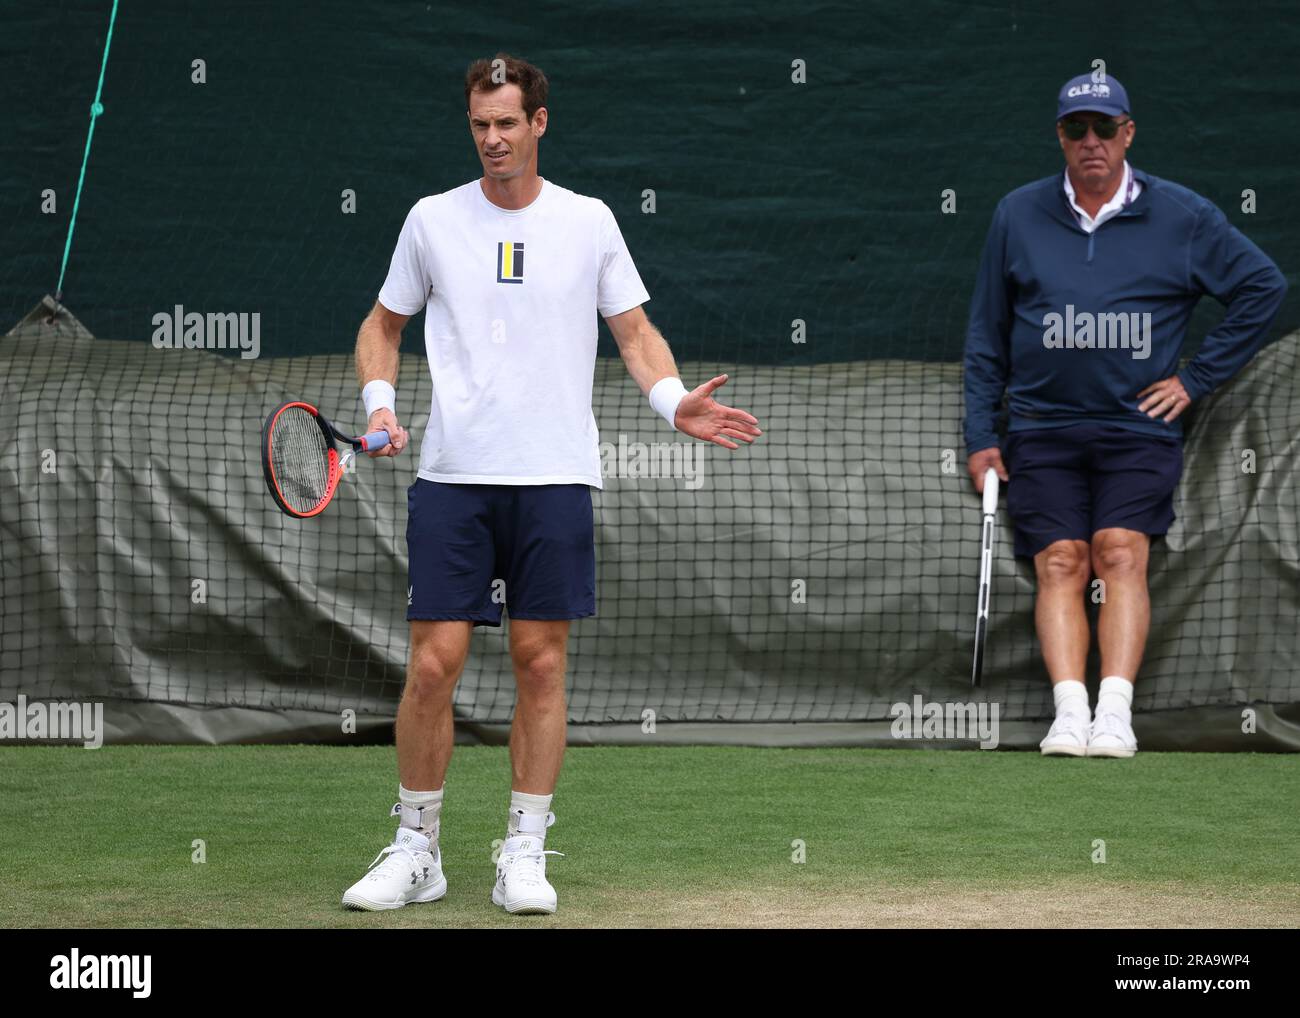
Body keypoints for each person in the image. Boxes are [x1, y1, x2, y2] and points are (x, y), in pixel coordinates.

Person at [341, 53, 761, 914]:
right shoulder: (430, 220)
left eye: (506, 123)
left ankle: (524, 850)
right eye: (478, 125)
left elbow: (635, 332)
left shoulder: (590, 221)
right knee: (433, 665)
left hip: (557, 477)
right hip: (453, 478)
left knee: (540, 663)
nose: (492, 139)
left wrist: (674, 401)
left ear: (539, 122)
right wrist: (379, 405)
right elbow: (382, 326)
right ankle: (417, 849)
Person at [963, 72, 1287, 759]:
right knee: (1060, 561)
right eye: (1076, 129)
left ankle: (1115, 712)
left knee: (1118, 553)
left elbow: (1263, 286)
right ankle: (1068, 715)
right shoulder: (1017, 214)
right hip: (1041, 428)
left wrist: (1196, 379)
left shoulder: (1183, 215)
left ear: (1127, 134)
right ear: (1060, 136)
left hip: (1137, 429)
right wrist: (981, 437)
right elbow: (987, 335)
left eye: (1104, 129)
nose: (1091, 143)